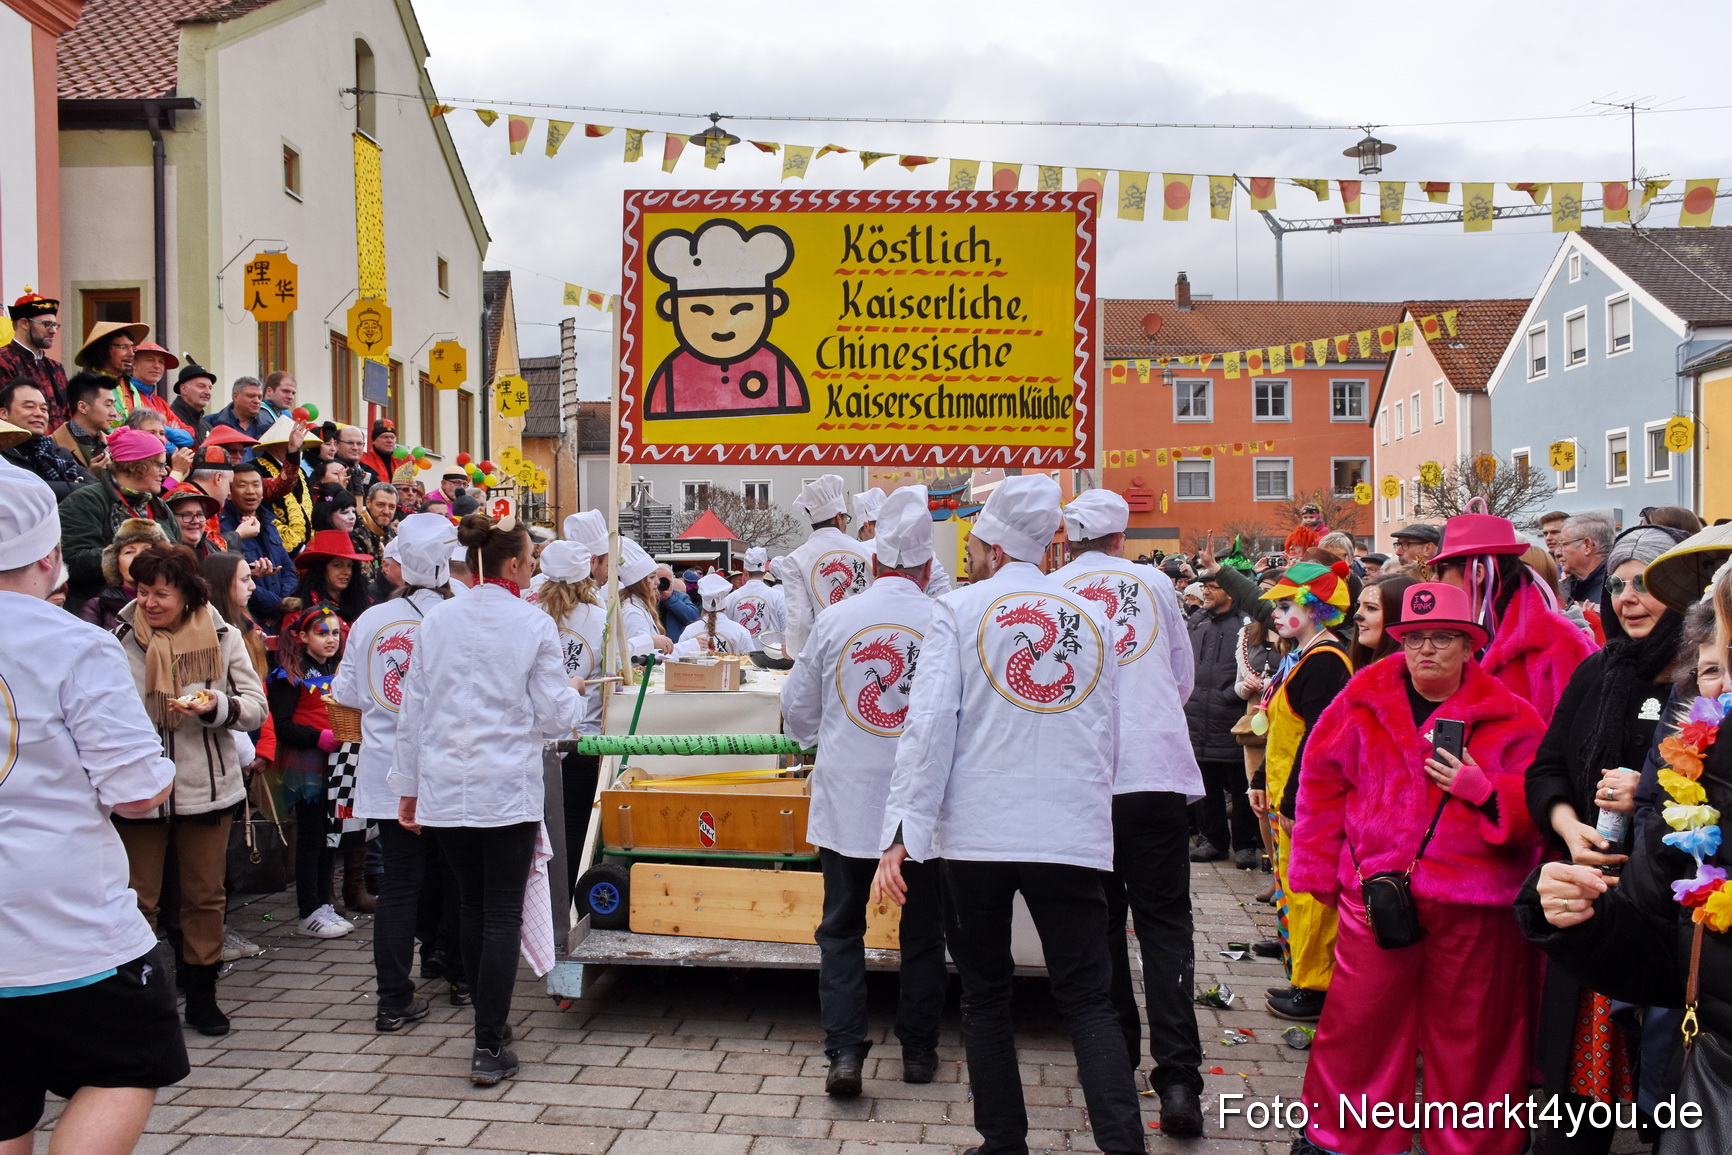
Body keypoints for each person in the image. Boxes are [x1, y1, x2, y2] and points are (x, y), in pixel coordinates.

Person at [873, 474, 1145, 1155]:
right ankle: (1123, 1144)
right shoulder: (1094, 616)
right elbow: (1107, 730)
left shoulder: (959, 610)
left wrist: (902, 830)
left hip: (980, 832)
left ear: (992, 547)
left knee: (986, 994)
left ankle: (1003, 1143)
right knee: (1088, 997)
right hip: (1069, 829)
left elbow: (929, 726)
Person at [1288, 582, 1545, 1155]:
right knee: (1360, 1026)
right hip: (1376, 896)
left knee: (1474, 1035)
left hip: (1474, 904)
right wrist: (1315, 874)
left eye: (1444, 638)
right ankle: (1344, 1138)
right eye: (1416, 638)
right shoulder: (1359, 701)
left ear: (1470, 645)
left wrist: (1486, 791)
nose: (1427, 649)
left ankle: (1472, 1145)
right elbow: (1320, 789)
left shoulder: (1511, 717)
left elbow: (1543, 805)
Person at [0, 466, 190, 1154]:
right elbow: (137, 789)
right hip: (70, 926)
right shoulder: (76, 643)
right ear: (50, 556)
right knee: (124, 1064)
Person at [389, 512, 587, 1087]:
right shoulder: (531, 624)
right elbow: (555, 716)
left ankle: (491, 1030)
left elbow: (413, 714)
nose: (531, 569)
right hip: (505, 788)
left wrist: (408, 789)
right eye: (528, 560)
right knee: (496, 911)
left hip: (447, 784)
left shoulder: (438, 620)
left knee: (475, 907)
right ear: (510, 563)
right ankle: (488, 1041)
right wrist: (574, 693)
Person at [1524, 522, 1689, 1153]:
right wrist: (1569, 828)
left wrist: (1646, 791)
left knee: (1665, 1082)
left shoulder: (1698, 681)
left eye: (1645, 583)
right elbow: (1546, 769)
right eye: (1617, 585)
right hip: (1588, 891)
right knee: (1573, 1090)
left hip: (1663, 901)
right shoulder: (1599, 670)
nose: (1627, 598)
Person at [781, 487, 947, 1096]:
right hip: (923, 812)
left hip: (848, 802)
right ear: (929, 565)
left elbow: (797, 716)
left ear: (874, 560)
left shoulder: (837, 619)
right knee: (924, 932)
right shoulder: (943, 620)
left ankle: (845, 1055)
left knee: (841, 930)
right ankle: (920, 1053)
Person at [1054, 488, 1206, 1135]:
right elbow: (1182, 676)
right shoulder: (1154, 583)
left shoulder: (1052, 587)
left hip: (1086, 777)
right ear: (1120, 537)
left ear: (1070, 540)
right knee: (1166, 923)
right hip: (1155, 774)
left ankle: (1113, 1060)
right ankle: (1177, 1079)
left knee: (1103, 923)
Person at [111, 544, 267, 1037]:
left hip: (207, 786)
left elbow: (256, 708)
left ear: (187, 594)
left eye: (161, 593)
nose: (150, 603)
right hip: (140, 790)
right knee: (138, 899)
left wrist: (215, 705)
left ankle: (202, 995)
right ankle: (138, 1002)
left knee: (204, 897)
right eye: (142, 592)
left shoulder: (222, 635)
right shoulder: (118, 639)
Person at [331, 514, 463, 1031]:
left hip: (387, 769)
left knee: (402, 883)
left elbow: (344, 694)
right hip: (447, 767)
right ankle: (458, 975)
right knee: (454, 876)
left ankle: (393, 998)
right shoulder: (457, 620)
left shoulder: (370, 621)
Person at [1256, 560, 1355, 1023]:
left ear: (1315, 609)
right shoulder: (1304, 656)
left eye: (1284, 604)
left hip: (1306, 800)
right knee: (1289, 885)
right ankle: (1298, 964)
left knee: (1309, 890)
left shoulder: (1325, 663)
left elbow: (1318, 739)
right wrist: (1261, 782)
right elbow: (1281, 727)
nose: (1274, 613)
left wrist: (1296, 797)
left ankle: (1315, 986)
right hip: (1284, 795)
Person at [1430, 506, 1598, 724]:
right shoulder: (1437, 639)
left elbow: (1574, 736)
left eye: (1441, 569)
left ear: (1477, 573)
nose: (1434, 580)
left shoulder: (1559, 643)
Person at [269, 604, 355, 940]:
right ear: (303, 637)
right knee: (311, 838)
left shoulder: (337, 668)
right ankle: (308, 910)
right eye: (322, 632)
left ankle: (324, 904)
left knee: (331, 835)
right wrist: (316, 737)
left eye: (334, 632)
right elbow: (281, 724)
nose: (331, 639)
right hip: (307, 764)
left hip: (337, 763)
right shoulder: (288, 675)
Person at [536, 535, 609, 893]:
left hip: (538, 742)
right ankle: (568, 899)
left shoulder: (530, 615)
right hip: (586, 739)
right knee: (577, 825)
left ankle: (539, 900)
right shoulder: (601, 619)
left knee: (539, 828)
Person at [1187, 566, 1262, 867]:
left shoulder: (1245, 626)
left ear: (1229, 590)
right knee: (1207, 784)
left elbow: (1253, 669)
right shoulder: (1197, 621)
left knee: (1240, 785)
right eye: (1203, 586)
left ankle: (1245, 845)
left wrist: (1228, 695)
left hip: (1230, 716)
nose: (1205, 591)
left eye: (1212, 586)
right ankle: (1214, 840)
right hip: (1197, 717)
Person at [59, 426, 178, 614]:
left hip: (157, 612)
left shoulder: (159, 506)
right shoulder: (84, 501)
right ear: (136, 465)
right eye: (160, 465)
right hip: (101, 615)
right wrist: (134, 555)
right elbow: (72, 561)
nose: (165, 473)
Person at [782, 475, 872, 658]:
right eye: (846, 518)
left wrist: (796, 655)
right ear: (839, 517)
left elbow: (801, 621)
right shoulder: (868, 553)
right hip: (867, 648)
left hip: (826, 654)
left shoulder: (796, 559)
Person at [219, 463, 297, 629]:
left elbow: (288, 569)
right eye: (242, 485)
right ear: (230, 493)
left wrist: (284, 604)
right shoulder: (224, 528)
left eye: (256, 485)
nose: (250, 491)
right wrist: (277, 606)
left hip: (279, 619)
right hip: (247, 619)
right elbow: (230, 577)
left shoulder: (269, 523)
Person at [0, 378, 93, 497]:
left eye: (44, 409)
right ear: (3, 413)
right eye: (29, 406)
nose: (39, 414)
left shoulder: (59, 454)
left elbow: (95, 487)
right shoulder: (3, 453)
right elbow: (23, 491)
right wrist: (76, 487)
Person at [78, 517, 168, 633]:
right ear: (116, 564)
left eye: (146, 550)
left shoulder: (180, 602)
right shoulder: (97, 607)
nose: (138, 557)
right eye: (129, 552)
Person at [0, 289, 71, 426]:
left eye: (55, 325)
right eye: (46, 324)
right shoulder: (3, 361)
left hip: (57, 446)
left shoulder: (55, 367)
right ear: (24, 323)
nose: (53, 331)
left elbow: (68, 414)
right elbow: (6, 416)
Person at [251, 415, 315, 554]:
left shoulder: (301, 472)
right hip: (277, 549)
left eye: (300, 444)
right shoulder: (255, 469)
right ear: (274, 444)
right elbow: (263, 513)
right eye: (291, 443)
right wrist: (299, 548)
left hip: (309, 549)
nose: (298, 447)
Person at [292, 529, 374, 624]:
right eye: (338, 565)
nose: (347, 572)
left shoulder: (362, 602)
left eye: (349, 566)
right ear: (320, 569)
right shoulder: (299, 608)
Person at [672, 573, 757, 657]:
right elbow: (750, 662)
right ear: (725, 603)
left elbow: (679, 662)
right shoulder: (740, 632)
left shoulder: (689, 631)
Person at [1347, 571, 1417, 670]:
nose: (1357, 616)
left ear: (1398, 615)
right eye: (1358, 605)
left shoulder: (1408, 679)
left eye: (1371, 608)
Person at [618, 538, 674, 656]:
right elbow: (643, 656)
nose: (658, 582)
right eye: (652, 577)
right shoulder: (633, 612)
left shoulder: (639, 606)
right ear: (640, 582)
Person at [50, 371, 117, 470]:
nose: (114, 413)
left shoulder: (114, 445)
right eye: (108, 405)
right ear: (83, 407)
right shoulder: (51, 447)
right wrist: (91, 476)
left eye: (114, 405)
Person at [114, 342, 182, 432]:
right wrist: (168, 433)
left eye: (161, 361)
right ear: (133, 363)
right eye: (150, 360)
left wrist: (164, 432)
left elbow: (190, 436)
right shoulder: (120, 392)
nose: (157, 366)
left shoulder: (161, 403)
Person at [724, 546, 788, 639]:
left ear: (745, 572)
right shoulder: (778, 597)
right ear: (765, 573)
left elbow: (727, 631)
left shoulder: (730, 598)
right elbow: (787, 629)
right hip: (771, 651)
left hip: (740, 653)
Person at [1557, 512, 1616, 611]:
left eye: (1564, 544)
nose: (1558, 551)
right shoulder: (1570, 588)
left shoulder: (1615, 591)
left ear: (1587, 546)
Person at [164, 482, 228, 561]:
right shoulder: (165, 558)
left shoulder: (212, 548)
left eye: (200, 514)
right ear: (170, 519)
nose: (196, 521)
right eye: (186, 515)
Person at [199, 376, 271, 442]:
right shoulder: (210, 423)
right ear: (235, 396)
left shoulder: (269, 427)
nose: (257, 401)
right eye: (251, 396)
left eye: (259, 397)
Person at [352, 482, 398, 575]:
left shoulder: (393, 535)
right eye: (380, 505)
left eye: (391, 507)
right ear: (368, 502)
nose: (386, 511)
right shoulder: (356, 533)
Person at [169, 360, 216, 440]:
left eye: (210, 388)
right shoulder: (168, 419)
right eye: (201, 386)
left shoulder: (207, 427)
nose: (207, 392)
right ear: (184, 389)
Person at [654, 562, 700, 638]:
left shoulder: (681, 597)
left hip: (676, 646)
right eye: (660, 581)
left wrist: (670, 600)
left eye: (668, 581)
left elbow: (694, 618)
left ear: (673, 581)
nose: (663, 584)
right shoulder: (646, 598)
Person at [332, 424, 378, 500]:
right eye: (350, 443)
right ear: (336, 444)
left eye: (359, 444)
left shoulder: (372, 477)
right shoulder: (327, 472)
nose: (355, 448)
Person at [360, 418, 396, 485]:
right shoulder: (362, 461)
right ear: (374, 440)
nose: (390, 441)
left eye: (392, 437)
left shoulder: (400, 464)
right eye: (385, 437)